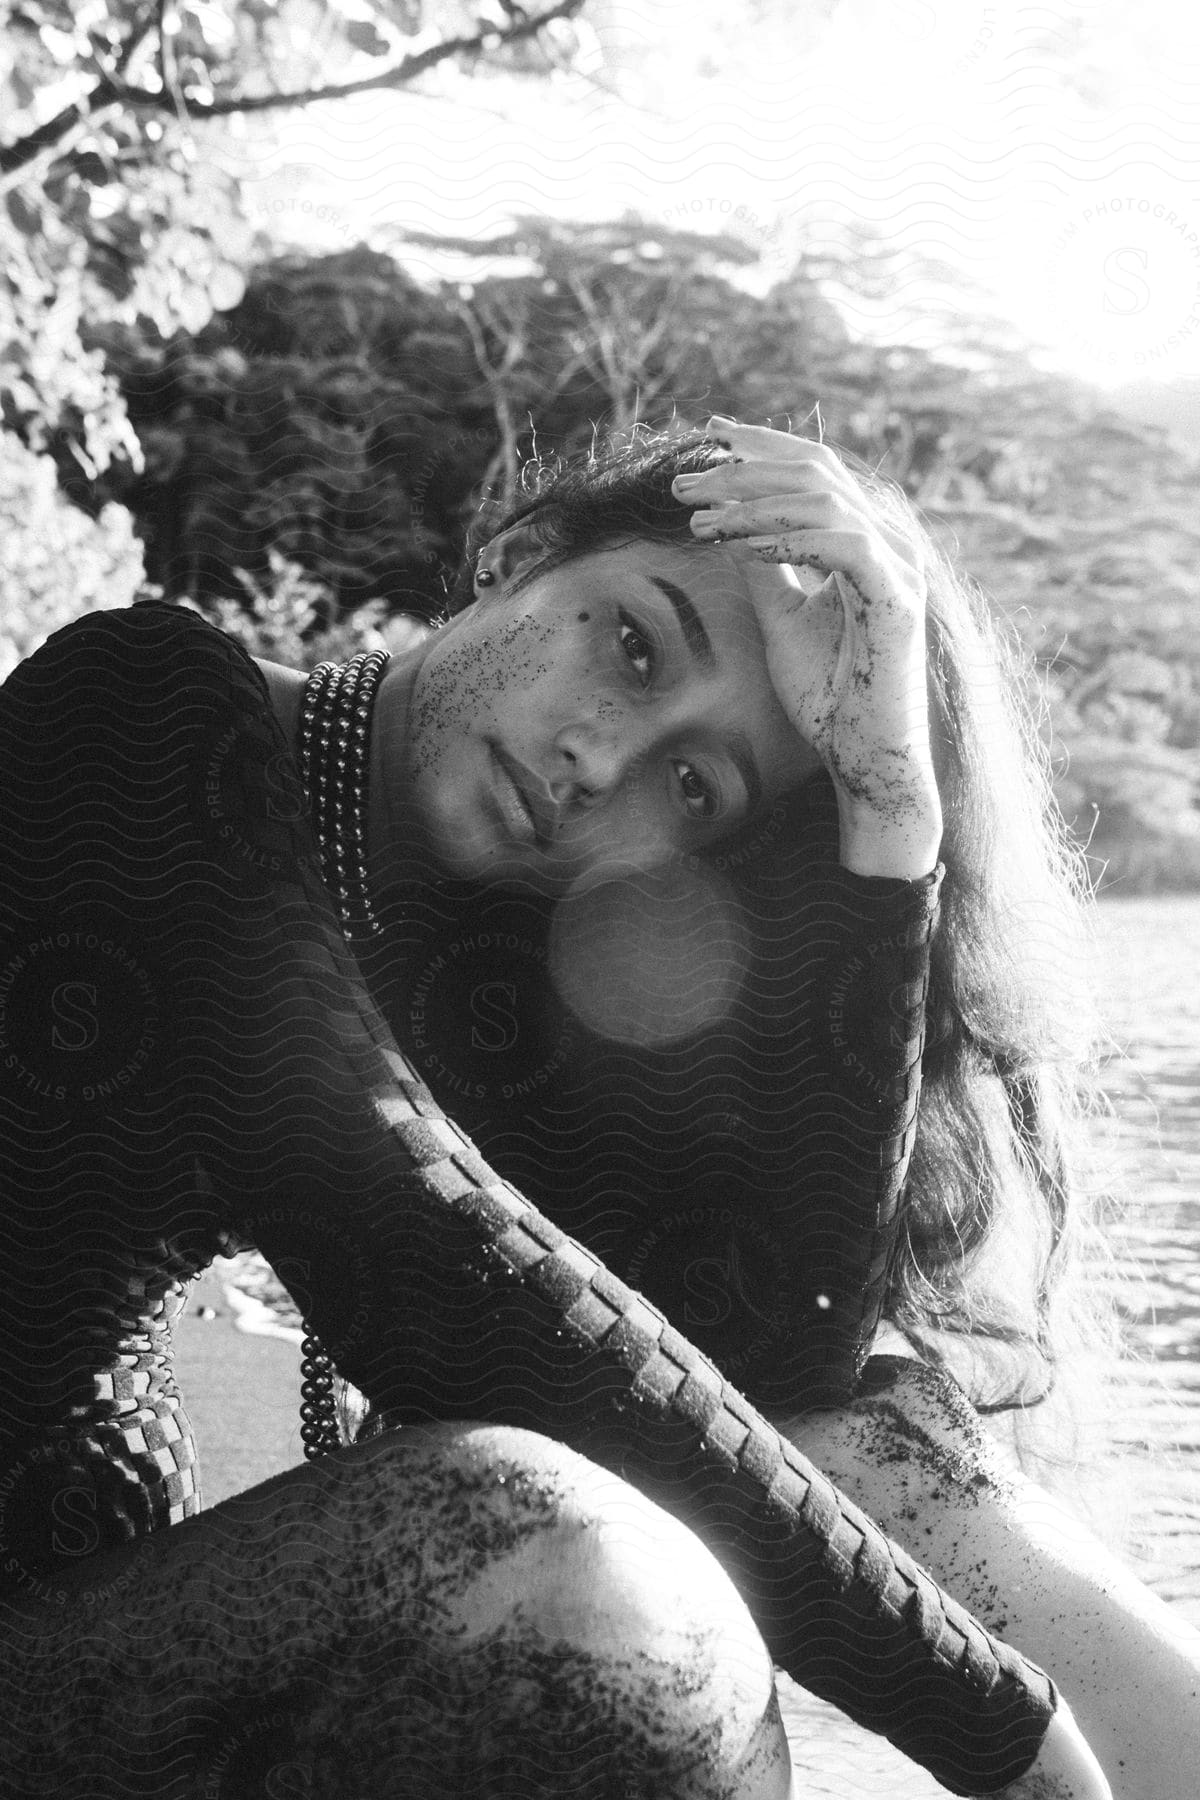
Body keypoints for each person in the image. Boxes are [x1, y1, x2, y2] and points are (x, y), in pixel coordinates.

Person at [0, 413, 1116, 1799]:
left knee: (727, 1593)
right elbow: (422, 1258)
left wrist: (890, 816)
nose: (606, 764)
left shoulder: (472, 981)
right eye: (636, 644)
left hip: (105, 1662)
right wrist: (1000, 1728)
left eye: (694, 788)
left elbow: (768, 1362)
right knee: (565, 1562)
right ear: (516, 557)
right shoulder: (141, 716)